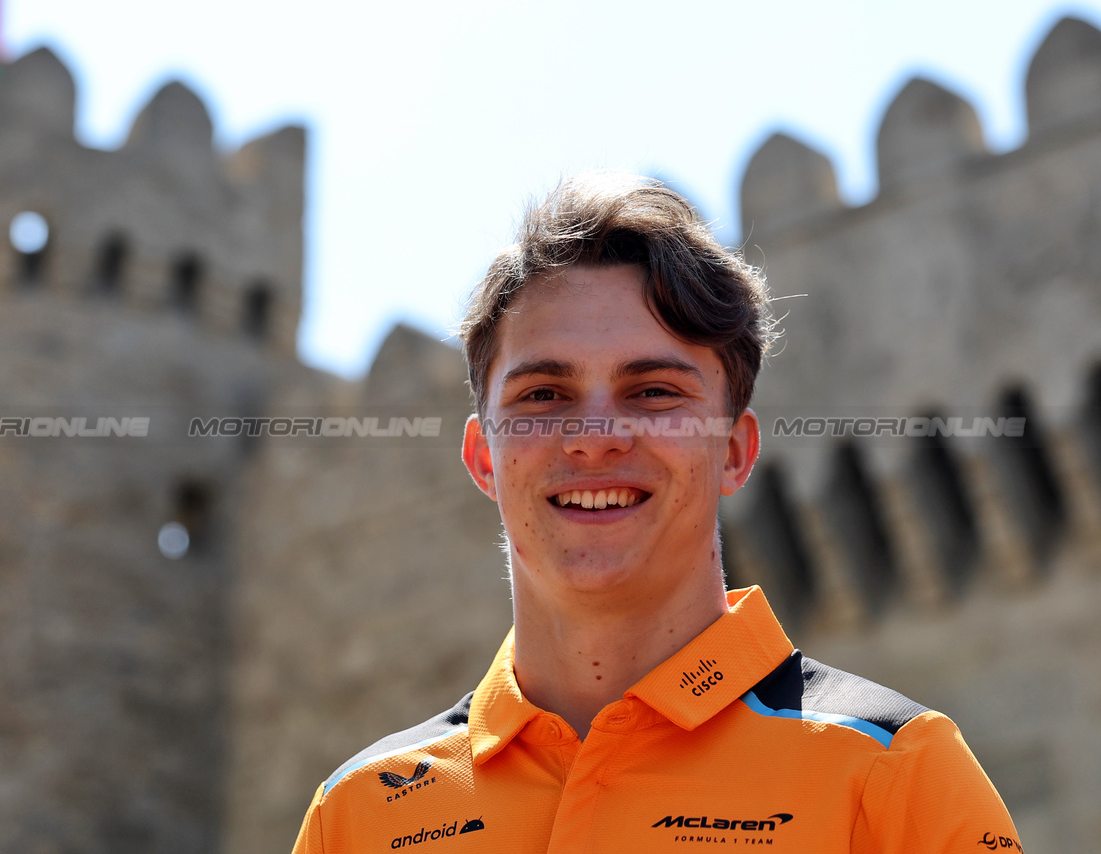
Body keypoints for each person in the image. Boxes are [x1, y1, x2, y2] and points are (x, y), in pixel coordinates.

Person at [291, 173, 1021, 852]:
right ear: (485, 458)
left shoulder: (896, 774)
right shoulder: (356, 815)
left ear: (735, 451)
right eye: (544, 395)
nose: (595, 437)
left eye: (655, 392)